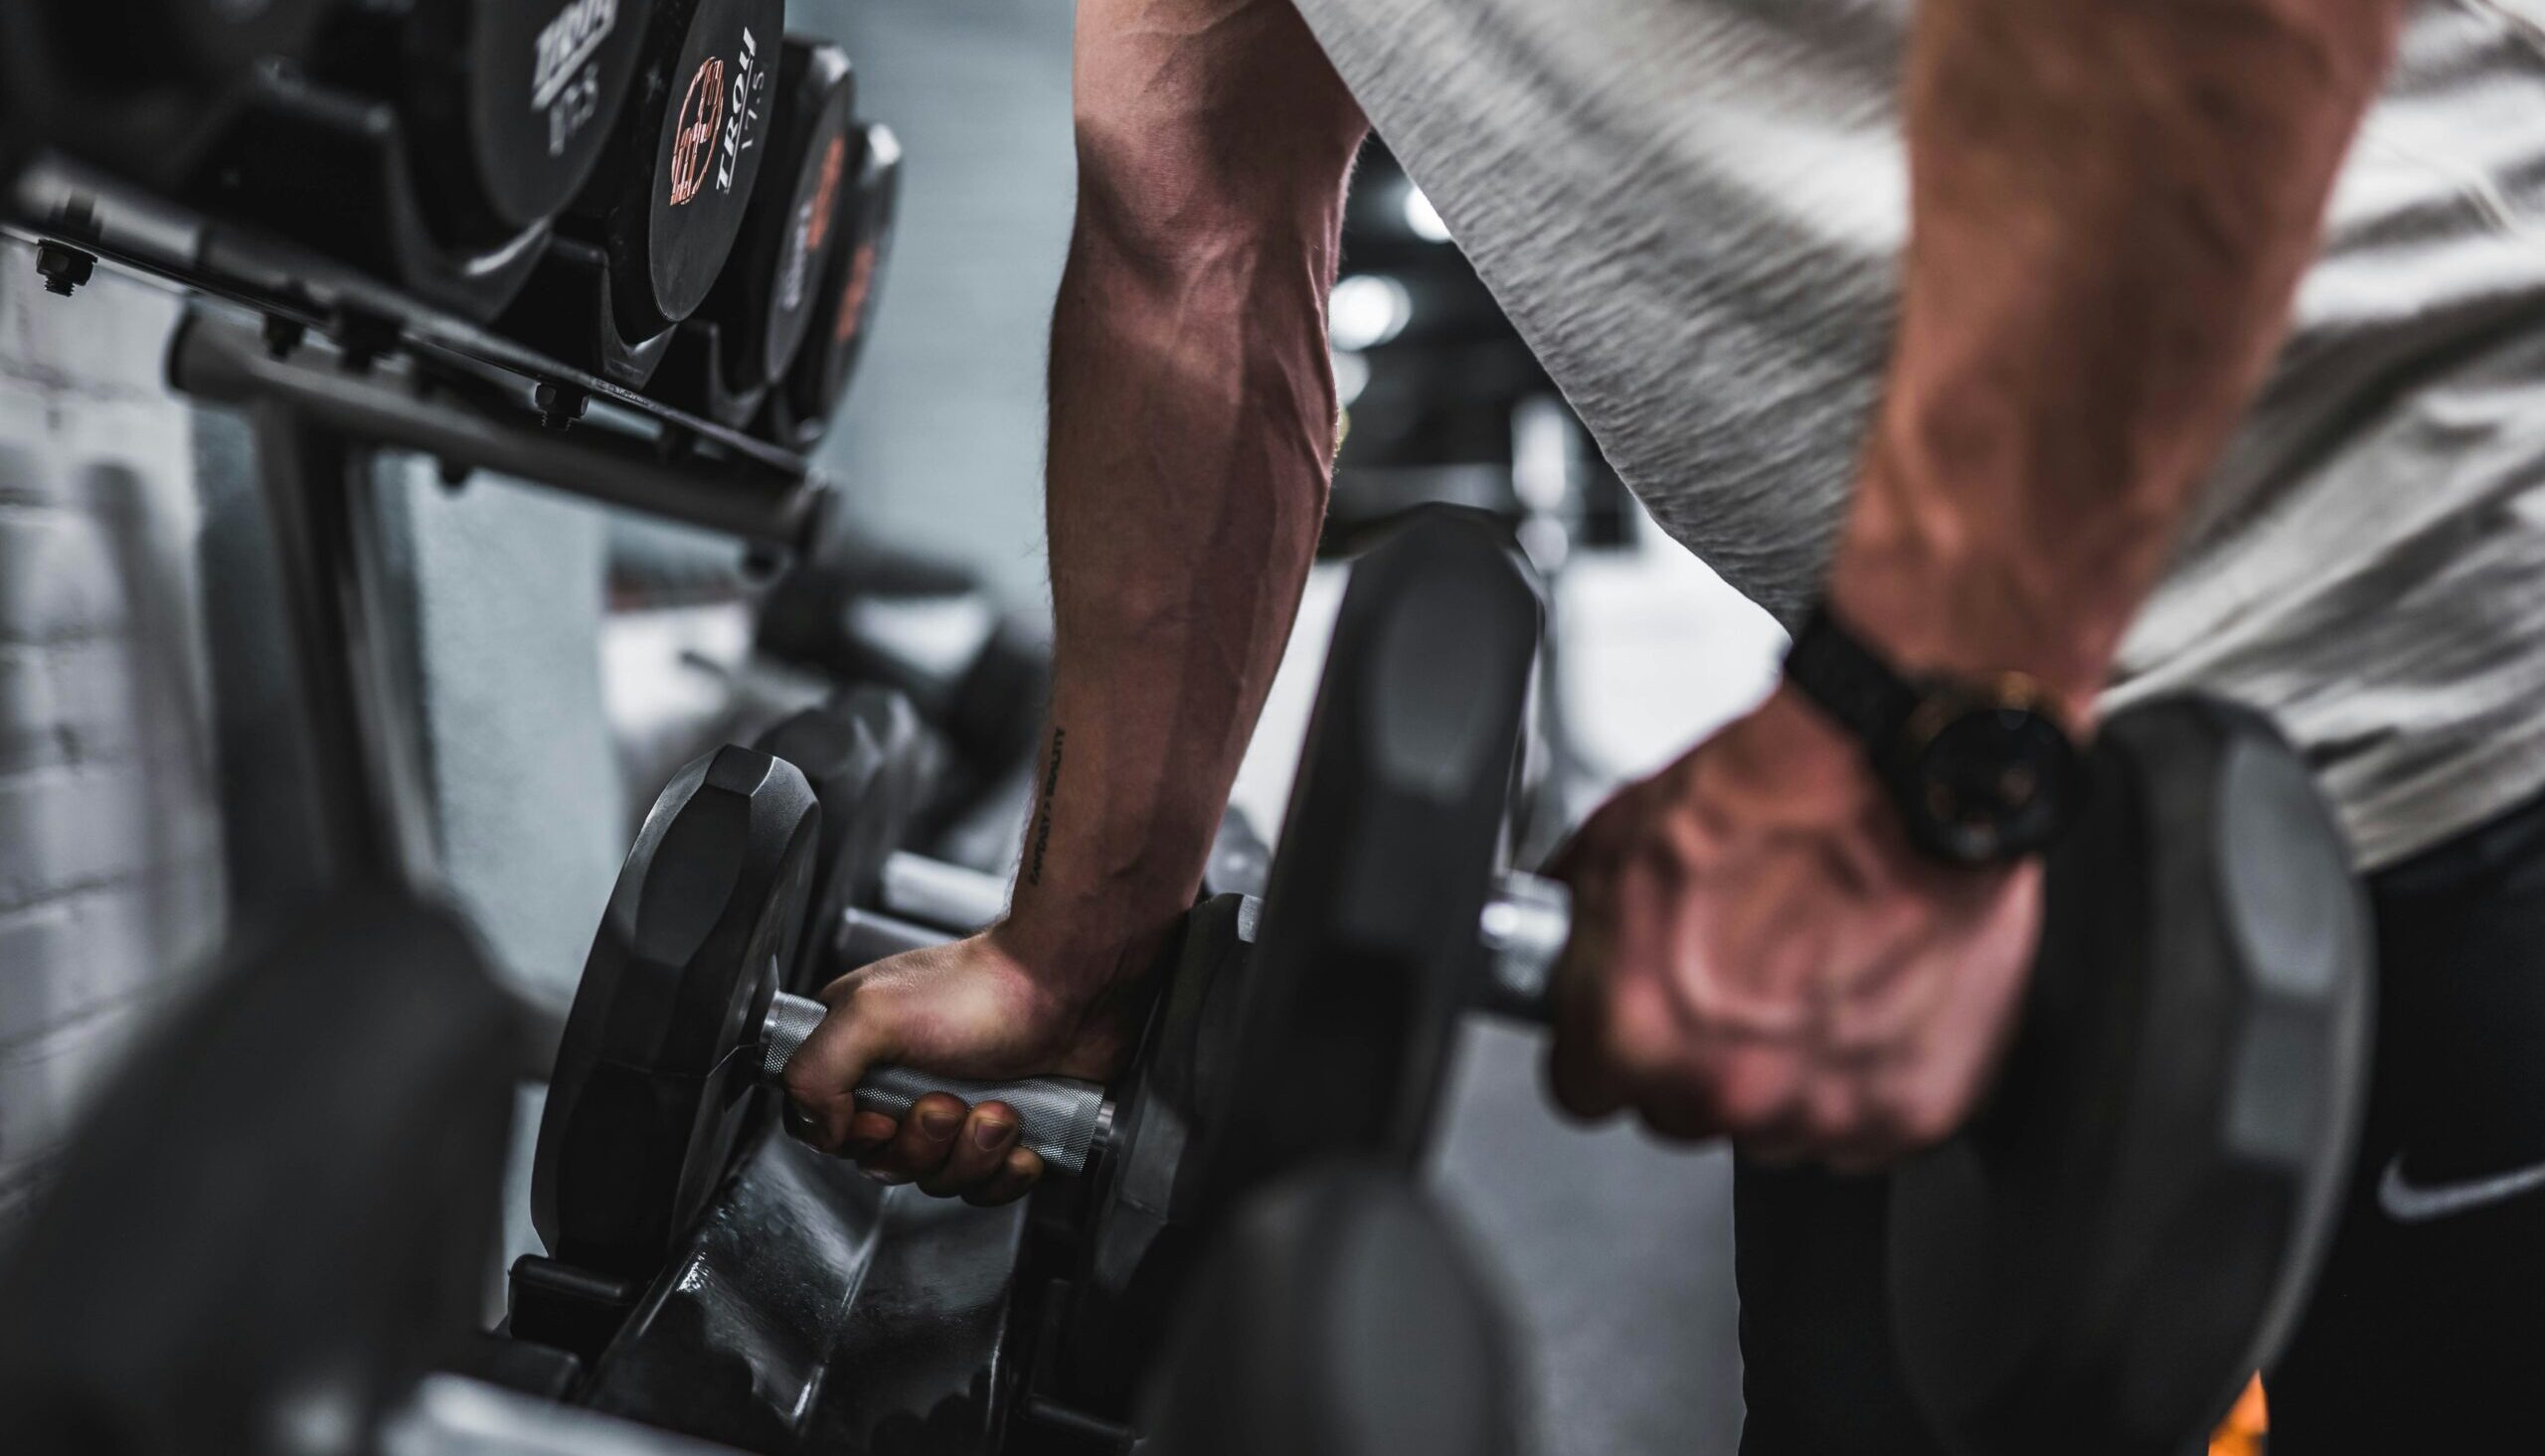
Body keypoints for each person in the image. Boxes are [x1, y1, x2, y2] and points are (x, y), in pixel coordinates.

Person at [785, 0, 2545, 1446]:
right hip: (1987, 770)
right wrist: (1082, 948)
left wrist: (1914, 737)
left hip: (2458, 680)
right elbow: (1191, 246)